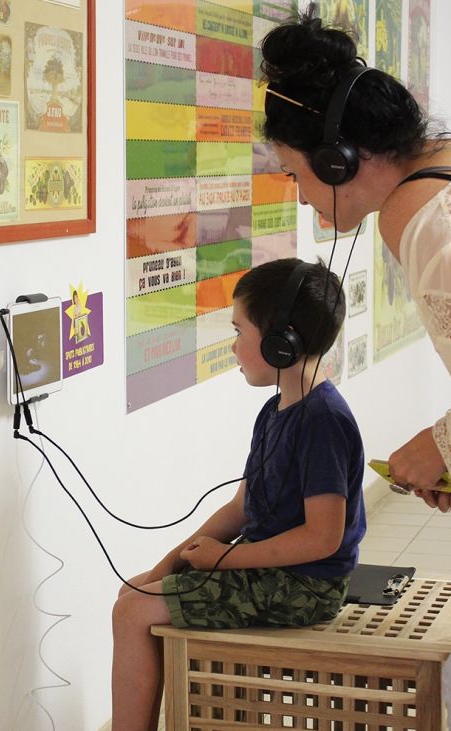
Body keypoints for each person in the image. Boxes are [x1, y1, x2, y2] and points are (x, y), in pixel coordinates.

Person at [258, 6, 451, 728]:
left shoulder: (416, 215)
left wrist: (443, 444)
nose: (299, 193)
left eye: (294, 174)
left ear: (338, 160)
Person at [111, 258, 366, 731]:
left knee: (132, 611)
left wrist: (222, 560)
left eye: (238, 331)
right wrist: (173, 559)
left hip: (307, 587)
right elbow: (242, 507)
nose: (233, 346)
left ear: (280, 342)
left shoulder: (321, 421)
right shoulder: (277, 411)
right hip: (274, 574)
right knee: (135, 590)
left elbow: (323, 539)